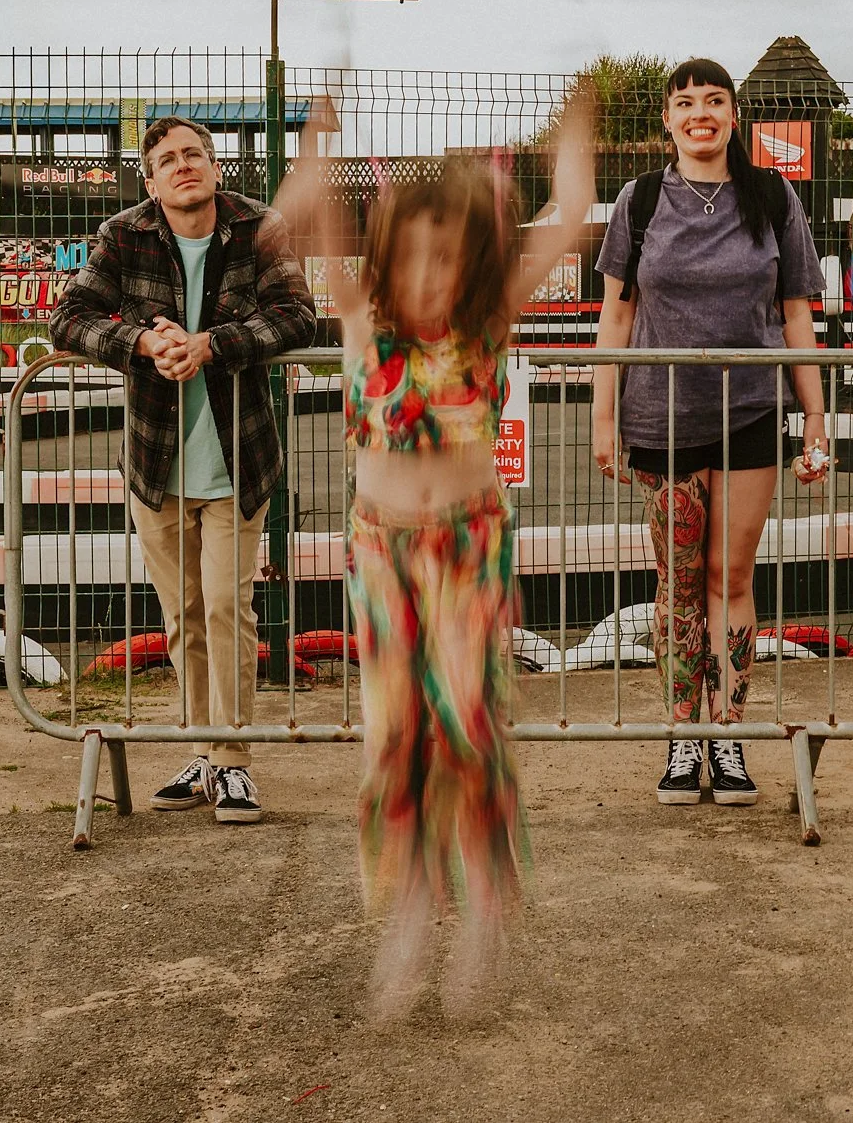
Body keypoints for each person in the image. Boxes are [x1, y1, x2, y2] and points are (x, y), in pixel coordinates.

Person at [287, 94, 593, 1015]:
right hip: (382, 548)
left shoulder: (489, 317)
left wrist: (572, 139)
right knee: (396, 738)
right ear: (384, 256)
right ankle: (411, 906)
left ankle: (486, 895)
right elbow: (308, 206)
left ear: (474, 261)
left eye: (446, 254)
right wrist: (311, 143)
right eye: (410, 252)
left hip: (465, 545)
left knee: (466, 722)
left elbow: (569, 213)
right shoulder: (359, 312)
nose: (426, 273)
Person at [50, 115, 317, 825]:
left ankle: (233, 762)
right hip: (156, 462)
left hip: (238, 459)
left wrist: (211, 345)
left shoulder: (260, 226)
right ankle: (204, 750)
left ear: (215, 165)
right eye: (167, 159)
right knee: (184, 615)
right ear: (150, 179)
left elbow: (298, 316)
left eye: (194, 153)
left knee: (229, 608)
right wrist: (140, 341)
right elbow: (68, 316)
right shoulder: (123, 235)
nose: (183, 165)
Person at [590, 58, 829, 809]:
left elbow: (797, 315)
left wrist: (816, 418)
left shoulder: (772, 195)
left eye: (715, 100)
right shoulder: (640, 201)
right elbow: (617, 317)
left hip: (751, 414)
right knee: (677, 584)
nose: (700, 112)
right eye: (685, 102)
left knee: (731, 577)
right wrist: (603, 417)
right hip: (661, 421)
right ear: (667, 120)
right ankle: (679, 732)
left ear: (734, 116)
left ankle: (728, 732)